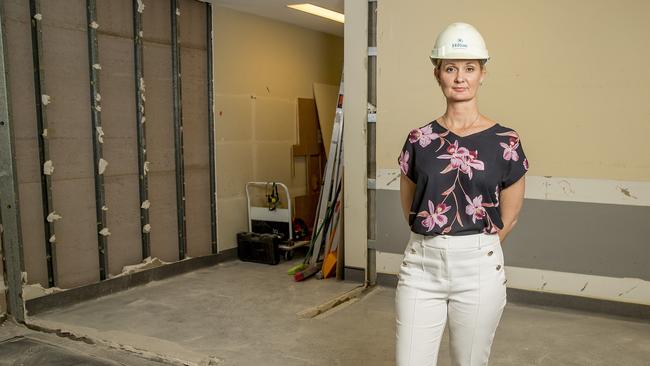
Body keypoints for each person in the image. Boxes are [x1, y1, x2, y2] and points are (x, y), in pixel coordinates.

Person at [395, 22, 529, 366]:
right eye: (450, 68)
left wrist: (471, 248)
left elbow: (510, 216)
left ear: (482, 74)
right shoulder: (419, 140)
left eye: (469, 68)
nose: (460, 77)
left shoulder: (506, 142)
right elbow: (411, 206)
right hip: (422, 266)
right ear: (437, 73)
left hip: (479, 268)